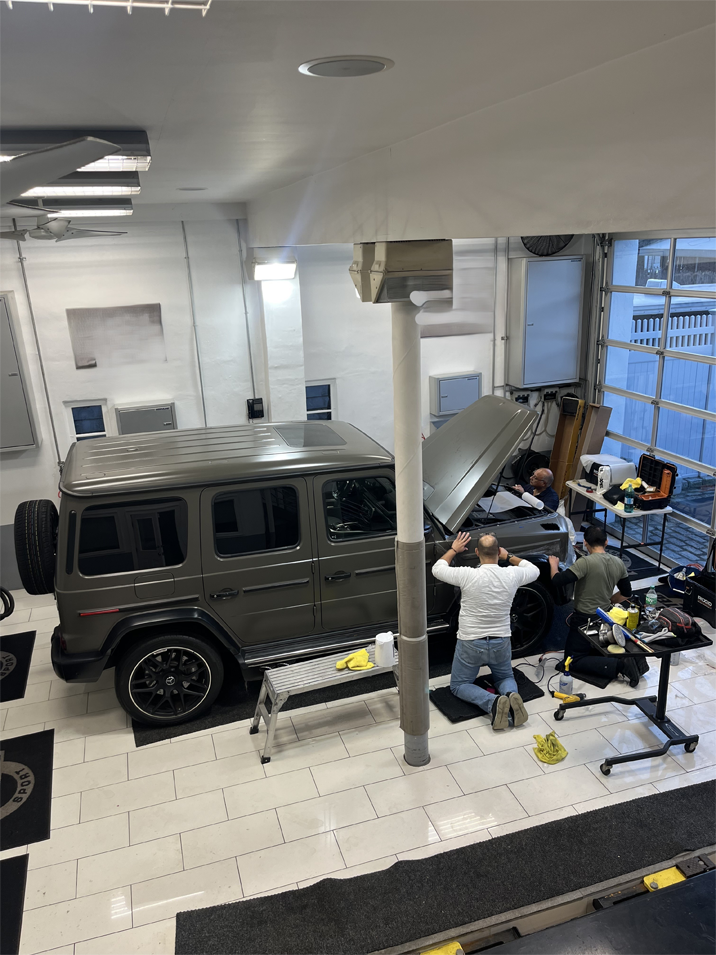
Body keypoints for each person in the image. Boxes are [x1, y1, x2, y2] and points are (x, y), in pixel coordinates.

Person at [432, 531, 539, 731]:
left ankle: (493, 703)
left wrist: (454, 549)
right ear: (498, 552)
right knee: (505, 677)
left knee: (459, 685)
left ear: (476, 552)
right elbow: (533, 569)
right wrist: (509, 557)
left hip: (471, 642)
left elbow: (438, 569)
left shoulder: (468, 574)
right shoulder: (511, 574)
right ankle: (511, 697)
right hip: (501, 641)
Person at [548, 524, 645, 685]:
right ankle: (627, 658)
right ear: (606, 542)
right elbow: (627, 593)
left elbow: (558, 581)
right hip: (605, 618)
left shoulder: (585, 562)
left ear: (585, 543)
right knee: (593, 650)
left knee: (571, 661)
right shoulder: (618, 562)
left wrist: (553, 565)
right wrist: (611, 600)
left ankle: (620, 665)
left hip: (584, 620)